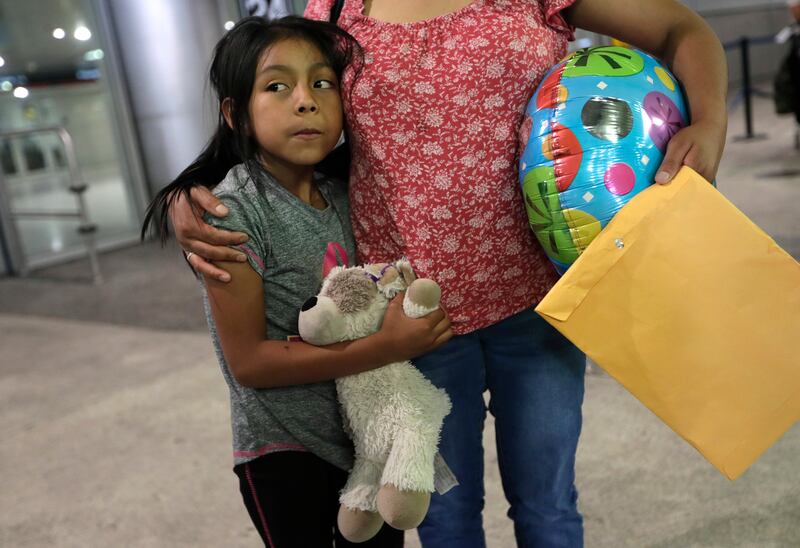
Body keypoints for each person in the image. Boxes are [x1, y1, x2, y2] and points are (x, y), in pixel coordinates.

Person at [169, 1, 729, 546]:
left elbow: (682, 29)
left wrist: (709, 121)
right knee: (444, 521)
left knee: (549, 509)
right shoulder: (334, 12)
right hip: (413, 324)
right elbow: (285, 122)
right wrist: (187, 195)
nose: (309, 97)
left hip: (537, 304)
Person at [142, 16, 452, 547]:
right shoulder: (235, 213)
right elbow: (250, 363)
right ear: (236, 114)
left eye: (322, 83)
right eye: (277, 86)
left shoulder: (345, 194)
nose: (305, 101)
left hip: (363, 444)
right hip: (284, 455)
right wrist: (385, 347)